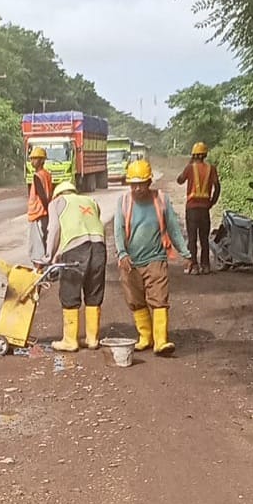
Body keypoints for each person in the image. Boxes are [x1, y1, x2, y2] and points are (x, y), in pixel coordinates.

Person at [115, 159, 193, 355]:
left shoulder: (161, 199)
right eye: (133, 184)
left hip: (155, 259)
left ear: (149, 182)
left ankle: (161, 341)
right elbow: (118, 230)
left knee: (159, 299)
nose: (137, 188)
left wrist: (186, 253)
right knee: (135, 299)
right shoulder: (123, 202)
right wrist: (122, 253)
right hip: (130, 261)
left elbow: (173, 228)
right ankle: (145, 337)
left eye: (141, 184)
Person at [42, 181, 106, 352]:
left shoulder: (57, 202)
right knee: (93, 290)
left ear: (57, 194)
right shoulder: (90, 201)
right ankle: (92, 339)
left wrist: (48, 255)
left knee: (70, 290)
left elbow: (54, 229)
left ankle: (70, 340)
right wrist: (60, 252)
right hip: (99, 247)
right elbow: (84, 227)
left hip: (76, 250)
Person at [176, 141, 220, 274]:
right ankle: (205, 266)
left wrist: (189, 163)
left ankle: (194, 266)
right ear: (205, 154)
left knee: (192, 239)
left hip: (192, 209)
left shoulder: (190, 168)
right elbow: (217, 187)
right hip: (204, 209)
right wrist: (212, 202)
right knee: (204, 239)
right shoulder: (211, 168)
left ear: (194, 155)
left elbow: (180, 180)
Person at [26, 146, 54, 269]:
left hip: (38, 213)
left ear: (42, 160)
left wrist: (46, 210)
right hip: (44, 213)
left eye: (35, 159)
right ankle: (45, 265)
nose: (32, 162)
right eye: (31, 159)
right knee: (44, 240)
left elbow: (42, 195)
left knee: (38, 243)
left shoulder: (37, 176)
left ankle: (40, 267)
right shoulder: (47, 174)